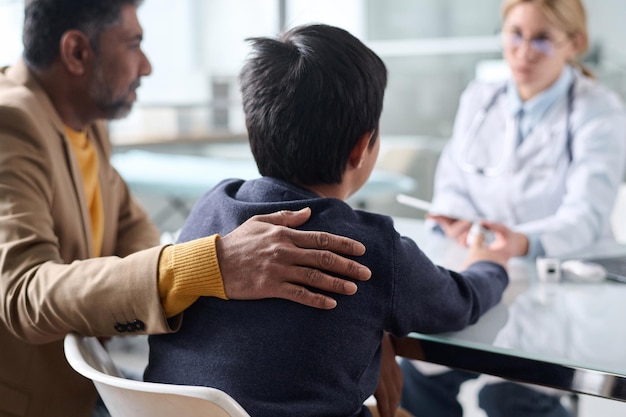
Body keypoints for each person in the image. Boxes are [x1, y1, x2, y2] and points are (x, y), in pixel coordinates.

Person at [0, 2, 379, 417]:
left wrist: (364, 322)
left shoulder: (82, 119)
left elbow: (134, 233)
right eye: (133, 44)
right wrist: (211, 264)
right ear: (76, 52)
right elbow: (23, 295)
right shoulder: (12, 123)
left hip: (99, 390)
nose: (145, 67)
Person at [144, 23, 512, 417]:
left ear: (253, 128)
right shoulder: (370, 248)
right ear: (361, 148)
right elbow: (459, 304)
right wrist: (491, 263)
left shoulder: (212, 205)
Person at [401, 0, 626, 416]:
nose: (523, 51)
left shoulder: (598, 110)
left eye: (542, 39)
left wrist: (521, 241)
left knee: (509, 396)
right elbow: (453, 181)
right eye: (515, 35)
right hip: (480, 271)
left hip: (556, 289)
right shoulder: (480, 97)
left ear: (574, 43)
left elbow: (588, 216)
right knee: (415, 373)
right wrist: (458, 223)